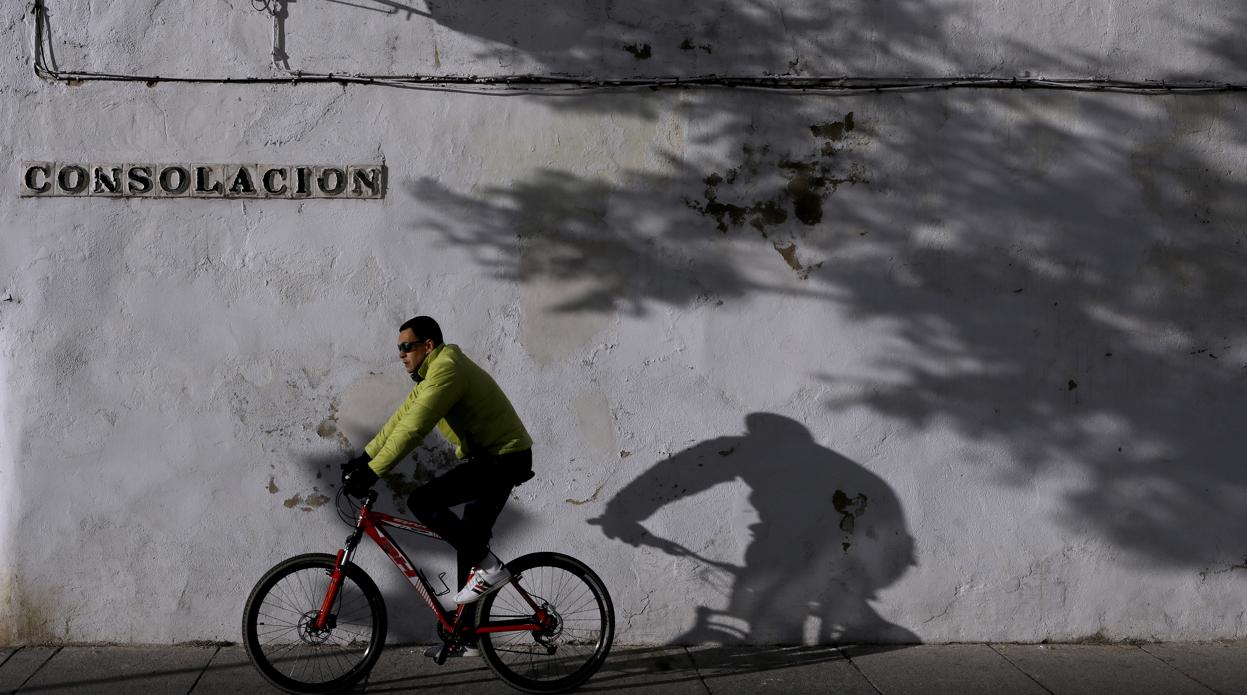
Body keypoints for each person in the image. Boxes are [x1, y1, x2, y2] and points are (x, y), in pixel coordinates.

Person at [340, 316, 534, 654]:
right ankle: (465, 636)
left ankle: (489, 567)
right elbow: (400, 420)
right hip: (490, 460)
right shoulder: (432, 374)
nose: (401, 355)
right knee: (469, 543)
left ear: (428, 345)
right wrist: (364, 457)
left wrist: (373, 473)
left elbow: (414, 430)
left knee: (423, 501)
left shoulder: (447, 370)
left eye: (406, 347)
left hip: (503, 459)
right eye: (398, 349)